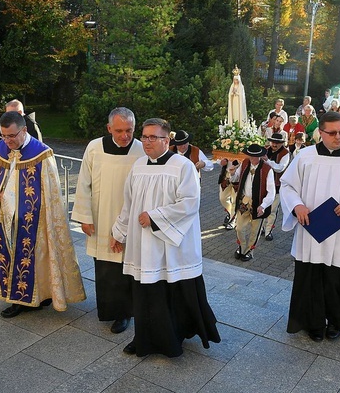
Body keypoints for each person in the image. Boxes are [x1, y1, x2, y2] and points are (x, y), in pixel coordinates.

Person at [111, 118, 221, 357]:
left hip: (171, 244)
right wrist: (118, 233)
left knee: (170, 291)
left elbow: (190, 203)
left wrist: (155, 217)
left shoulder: (182, 166)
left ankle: (172, 338)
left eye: (154, 137)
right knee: (145, 293)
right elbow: (129, 203)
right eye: (145, 136)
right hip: (143, 243)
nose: (147, 142)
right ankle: (143, 337)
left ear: (167, 139)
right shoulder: (138, 165)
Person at [280, 111, 340, 342]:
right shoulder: (305, 157)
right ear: (320, 133)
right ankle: (312, 322)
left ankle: (335, 321)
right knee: (311, 277)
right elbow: (287, 186)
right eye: (332, 133)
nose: (338, 137)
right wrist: (297, 206)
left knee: (337, 279)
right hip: (310, 228)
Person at [0, 111, 85, 317]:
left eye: (12, 136)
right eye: (3, 136)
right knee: (9, 256)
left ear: (24, 130)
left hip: (34, 222)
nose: (7, 141)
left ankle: (37, 296)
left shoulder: (42, 154)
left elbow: (52, 193)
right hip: (3, 218)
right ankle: (17, 297)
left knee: (38, 257)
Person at [71, 107, 144, 333]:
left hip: (130, 220)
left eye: (129, 130)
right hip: (101, 218)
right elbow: (84, 183)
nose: (125, 136)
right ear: (109, 128)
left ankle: (126, 312)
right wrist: (83, 216)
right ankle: (110, 310)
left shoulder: (141, 150)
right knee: (105, 268)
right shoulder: (94, 148)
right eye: (119, 130)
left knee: (127, 268)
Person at [231, 144, 276, 260]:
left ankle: (249, 251)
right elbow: (236, 178)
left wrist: (263, 206)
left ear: (260, 156)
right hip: (244, 202)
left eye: (254, 156)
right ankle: (241, 247)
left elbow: (271, 192)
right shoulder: (245, 163)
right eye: (250, 155)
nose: (251, 158)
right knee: (239, 228)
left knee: (254, 230)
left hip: (259, 204)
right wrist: (231, 173)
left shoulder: (267, 169)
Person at [262, 133, 291, 241]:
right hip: (263, 184)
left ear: (281, 143)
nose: (274, 144)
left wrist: (267, 161)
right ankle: (262, 227)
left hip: (277, 185)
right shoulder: (265, 149)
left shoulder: (285, 154)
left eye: (277, 143)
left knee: (272, 209)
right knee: (263, 207)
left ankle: (268, 231)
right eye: (273, 142)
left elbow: (280, 168)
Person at [218, 158, 240, 229]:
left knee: (235, 201)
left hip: (238, 176)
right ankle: (231, 213)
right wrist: (221, 162)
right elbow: (218, 156)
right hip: (226, 174)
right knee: (223, 198)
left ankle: (232, 220)